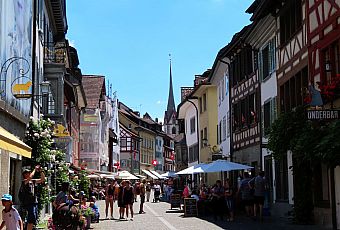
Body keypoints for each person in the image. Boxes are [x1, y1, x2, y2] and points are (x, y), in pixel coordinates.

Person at [19, 165, 45, 230]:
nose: (29, 173)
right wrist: (35, 169)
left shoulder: (33, 181)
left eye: (29, 172)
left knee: (33, 220)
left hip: (34, 202)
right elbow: (30, 177)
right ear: (24, 174)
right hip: (28, 203)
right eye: (27, 173)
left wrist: (41, 171)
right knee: (31, 219)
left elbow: (42, 179)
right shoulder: (24, 182)